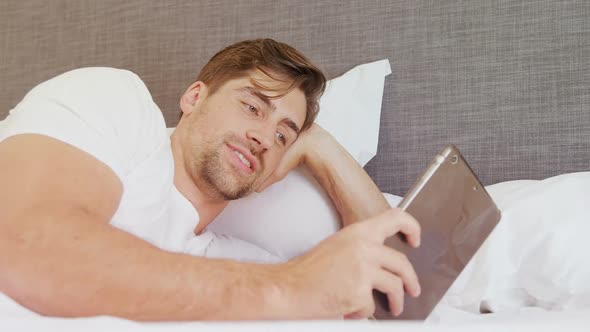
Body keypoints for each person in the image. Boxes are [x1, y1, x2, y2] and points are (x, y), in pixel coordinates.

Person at [0, 38, 421, 320]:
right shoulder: (118, 104)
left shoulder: (235, 263)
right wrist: (289, 287)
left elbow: (399, 291)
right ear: (195, 97)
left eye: (282, 136)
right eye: (253, 107)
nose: (262, 137)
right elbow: (24, 245)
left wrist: (323, 148)